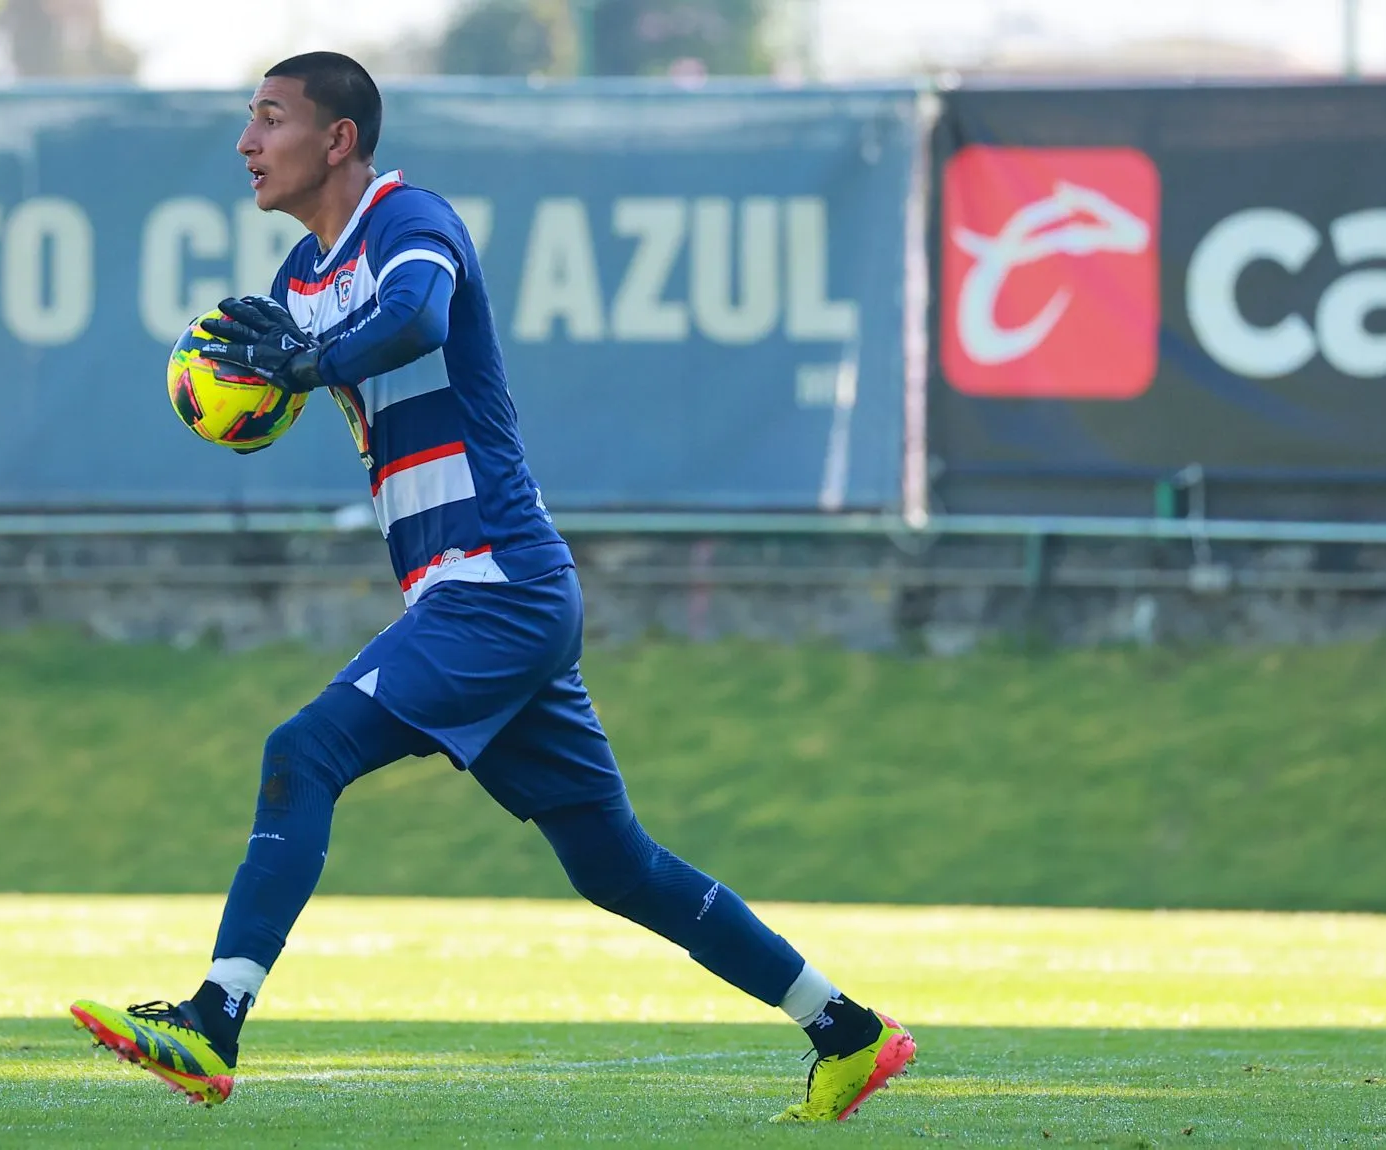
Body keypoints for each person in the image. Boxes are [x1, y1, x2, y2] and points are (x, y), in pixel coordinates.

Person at [70, 51, 914, 1124]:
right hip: (473, 595)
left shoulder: (403, 215)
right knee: (617, 866)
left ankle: (211, 1021)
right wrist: (273, 378)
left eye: (269, 118)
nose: (246, 142)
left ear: (337, 139)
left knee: (303, 750)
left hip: (495, 588)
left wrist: (301, 367)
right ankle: (848, 1031)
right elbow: (312, 367)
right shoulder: (298, 280)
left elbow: (417, 317)